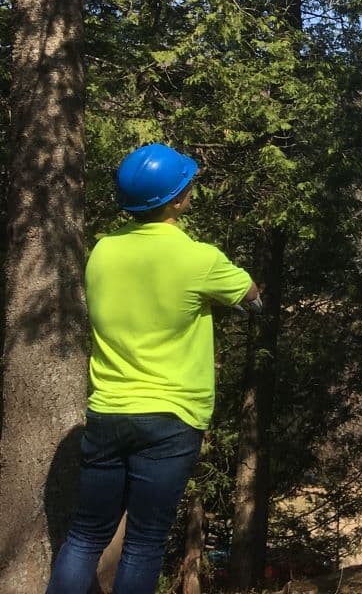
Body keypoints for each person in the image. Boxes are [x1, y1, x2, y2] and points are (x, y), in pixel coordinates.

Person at [47, 142, 259, 594]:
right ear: (178, 199)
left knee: (85, 535)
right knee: (143, 543)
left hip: (108, 412)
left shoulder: (102, 251)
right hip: (171, 416)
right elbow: (249, 292)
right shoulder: (198, 259)